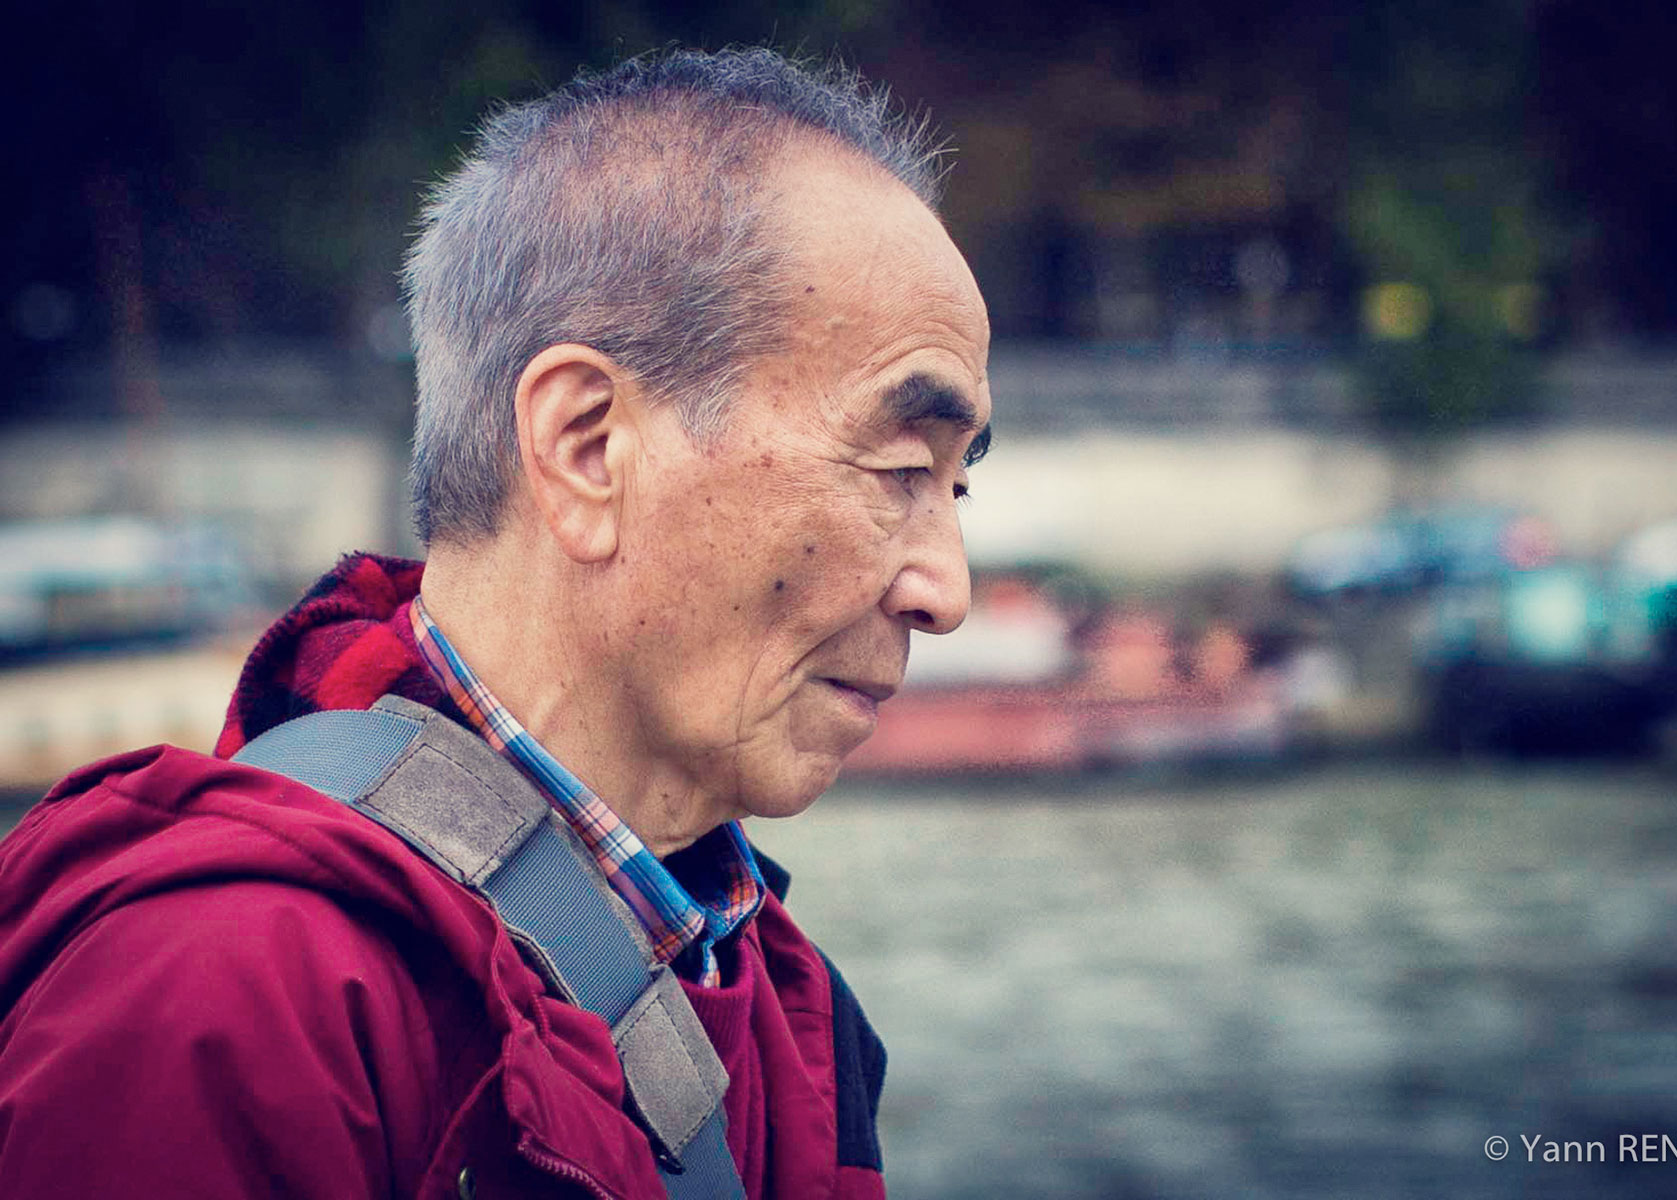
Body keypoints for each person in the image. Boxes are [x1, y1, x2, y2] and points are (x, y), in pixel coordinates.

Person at [0, 47, 991, 1199]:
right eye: (899, 468)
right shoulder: (214, 1002)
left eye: (955, 487)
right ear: (587, 448)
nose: (947, 590)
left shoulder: (787, 1003)